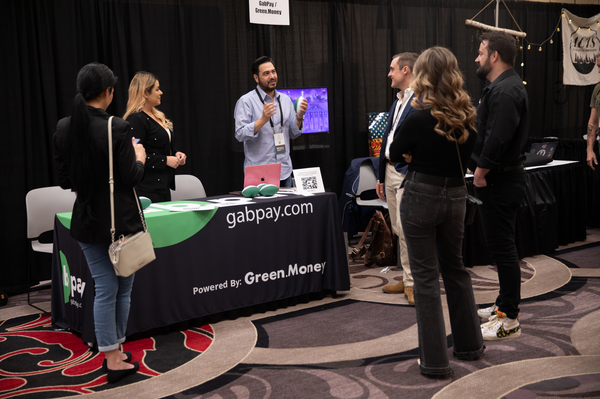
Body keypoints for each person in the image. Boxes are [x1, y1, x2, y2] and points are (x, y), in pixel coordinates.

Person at [389, 46, 484, 377]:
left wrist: (416, 155)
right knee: (456, 271)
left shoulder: (417, 115)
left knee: (427, 279)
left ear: (423, 74)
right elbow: (472, 153)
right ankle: (470, 346)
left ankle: (434, 362)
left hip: (421, 195)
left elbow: (395, 152)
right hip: (457, 195)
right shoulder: (468, 115)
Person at [53, 63, 144, 383]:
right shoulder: (116, 128)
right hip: (119, 223)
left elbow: (65, 181)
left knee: (109, 287)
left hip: (87, 221)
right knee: (116, 289)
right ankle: (111, 356)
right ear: (108, 92)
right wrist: (141, 158)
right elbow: (132, 177)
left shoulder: (65, 127)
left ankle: (114, 350)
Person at [469, 31, 529, 340]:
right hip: (498, 178)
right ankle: (504, 306)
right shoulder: (501, 87)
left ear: (495, 56)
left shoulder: (506, 91)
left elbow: (497, 136)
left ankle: (510, 319)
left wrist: (480, 171)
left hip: (499, 180)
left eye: (481, 52)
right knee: (499, 246)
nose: (476, 58)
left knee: (504, 249)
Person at [376, 52, 418, 305]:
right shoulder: (398, 100)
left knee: (407, 230)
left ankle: (414, 283)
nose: (389, 74)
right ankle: (406, 277)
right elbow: (388, 138)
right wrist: (381, 175)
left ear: (406, 70)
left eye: (392, 69)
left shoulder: (422, 99)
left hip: (407, 172)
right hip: (390, 170)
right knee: (397, 229)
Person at [234, 56, 307, 187]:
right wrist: (263, 120)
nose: (272, 76)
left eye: (273, 72)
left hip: (284, 171)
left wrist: (299, 117)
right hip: (259, 175)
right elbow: (240, 134)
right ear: (256, 78)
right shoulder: (246, 101)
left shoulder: (285, 100)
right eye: (266, 73)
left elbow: (293, 133)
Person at [123, 72, 187, 203]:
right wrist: (166, 160)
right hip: (147, 189)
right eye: (157, 89)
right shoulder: (136, 119)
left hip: (162, 186)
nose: (161, 92)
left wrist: (176, 153)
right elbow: (135, 155)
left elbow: (160, 147)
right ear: (145, 93)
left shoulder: (157, 116)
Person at [586, 52, 600, 171]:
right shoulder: (597, 89)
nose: (599, 71)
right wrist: (589, 150)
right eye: (598, 67)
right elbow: (593, 122)